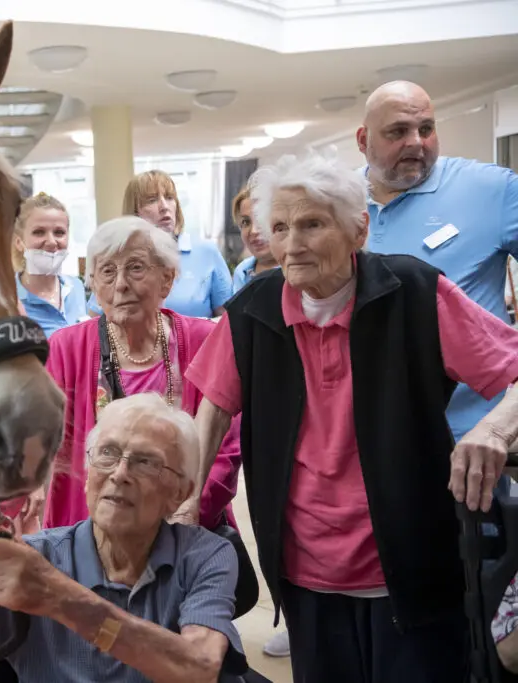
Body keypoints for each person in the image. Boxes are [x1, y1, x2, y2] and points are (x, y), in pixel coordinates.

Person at [183, 152, 518, 682]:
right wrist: (187, 503)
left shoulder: (413, 293)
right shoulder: (252, 311)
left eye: (312, 224)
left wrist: (494, 427)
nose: (292, 244)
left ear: (358, 230)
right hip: (304, 574)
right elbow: (212, 413)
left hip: (411, 567)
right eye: (280, 227)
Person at [0, 215, 243, 580]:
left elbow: (226, 446)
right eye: (106, 272)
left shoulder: (202, 341)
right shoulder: (67, 348)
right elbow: (26, 446)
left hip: (182, 536)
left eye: (136, 268)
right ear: (93, 285)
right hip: (90, 543)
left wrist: (186, 510)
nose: (120, 285)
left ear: (167, 278)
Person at [0, 392, 248, 682]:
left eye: (145, 462)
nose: (120, 473)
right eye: (107, 453)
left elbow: (199, 668)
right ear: (89, 473)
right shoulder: (36, 558)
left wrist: (61, 600)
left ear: (180, 492)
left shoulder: (205, 554)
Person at [358, 79, 518, 442]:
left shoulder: (492, 190)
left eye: (426, 128)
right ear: (363, 140)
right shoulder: (339, 201)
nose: (416, 141)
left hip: (470, 436)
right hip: (366, 438)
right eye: (398, 131)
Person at [90, 170, 233, 319]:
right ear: (134, 212)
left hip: (200, 341)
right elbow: (95, 321)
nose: (164, 206)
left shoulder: (206, 252)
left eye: (170, 198)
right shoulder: (117, 257)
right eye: (152, 200)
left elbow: (228, 321)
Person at [11, 192, 87, 337]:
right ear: (19, 242)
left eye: (59, 232)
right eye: (39, 232)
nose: (51, 242)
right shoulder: (10, 298)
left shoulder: (76, 288)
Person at [230, 186, 278, 293]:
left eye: (261, 219)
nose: (254, 231)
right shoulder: (242, 273)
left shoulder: (298, 270)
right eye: (246, 222)